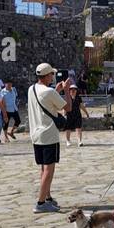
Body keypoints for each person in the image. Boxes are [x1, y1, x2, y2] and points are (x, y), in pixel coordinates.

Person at [28, 64, 72, 213]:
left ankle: (47, 197)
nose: (53, 77)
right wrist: (65, 90)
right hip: (48, 134)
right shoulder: (49, 92)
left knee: (43, 168)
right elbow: (68, 108)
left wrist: (56, 91)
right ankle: (40, 202)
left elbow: (45, 100)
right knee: (49, 169)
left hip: (36, 133)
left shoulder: (32, 89)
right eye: (51, 75)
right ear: (47, 76)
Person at [63, 75, 88, 147]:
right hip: (69, 114)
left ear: (76, 91)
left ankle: (79, 141)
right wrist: (64, 114)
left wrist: (86, 113)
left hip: (77, 114)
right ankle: (68, 141)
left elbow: (82, 106)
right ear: (69, 90)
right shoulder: (67, 97)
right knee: (68, 128)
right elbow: (64, 106)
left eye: (74, 89)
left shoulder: (78, 98)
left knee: (78, 128)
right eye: (71, 89)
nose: (73, 90)